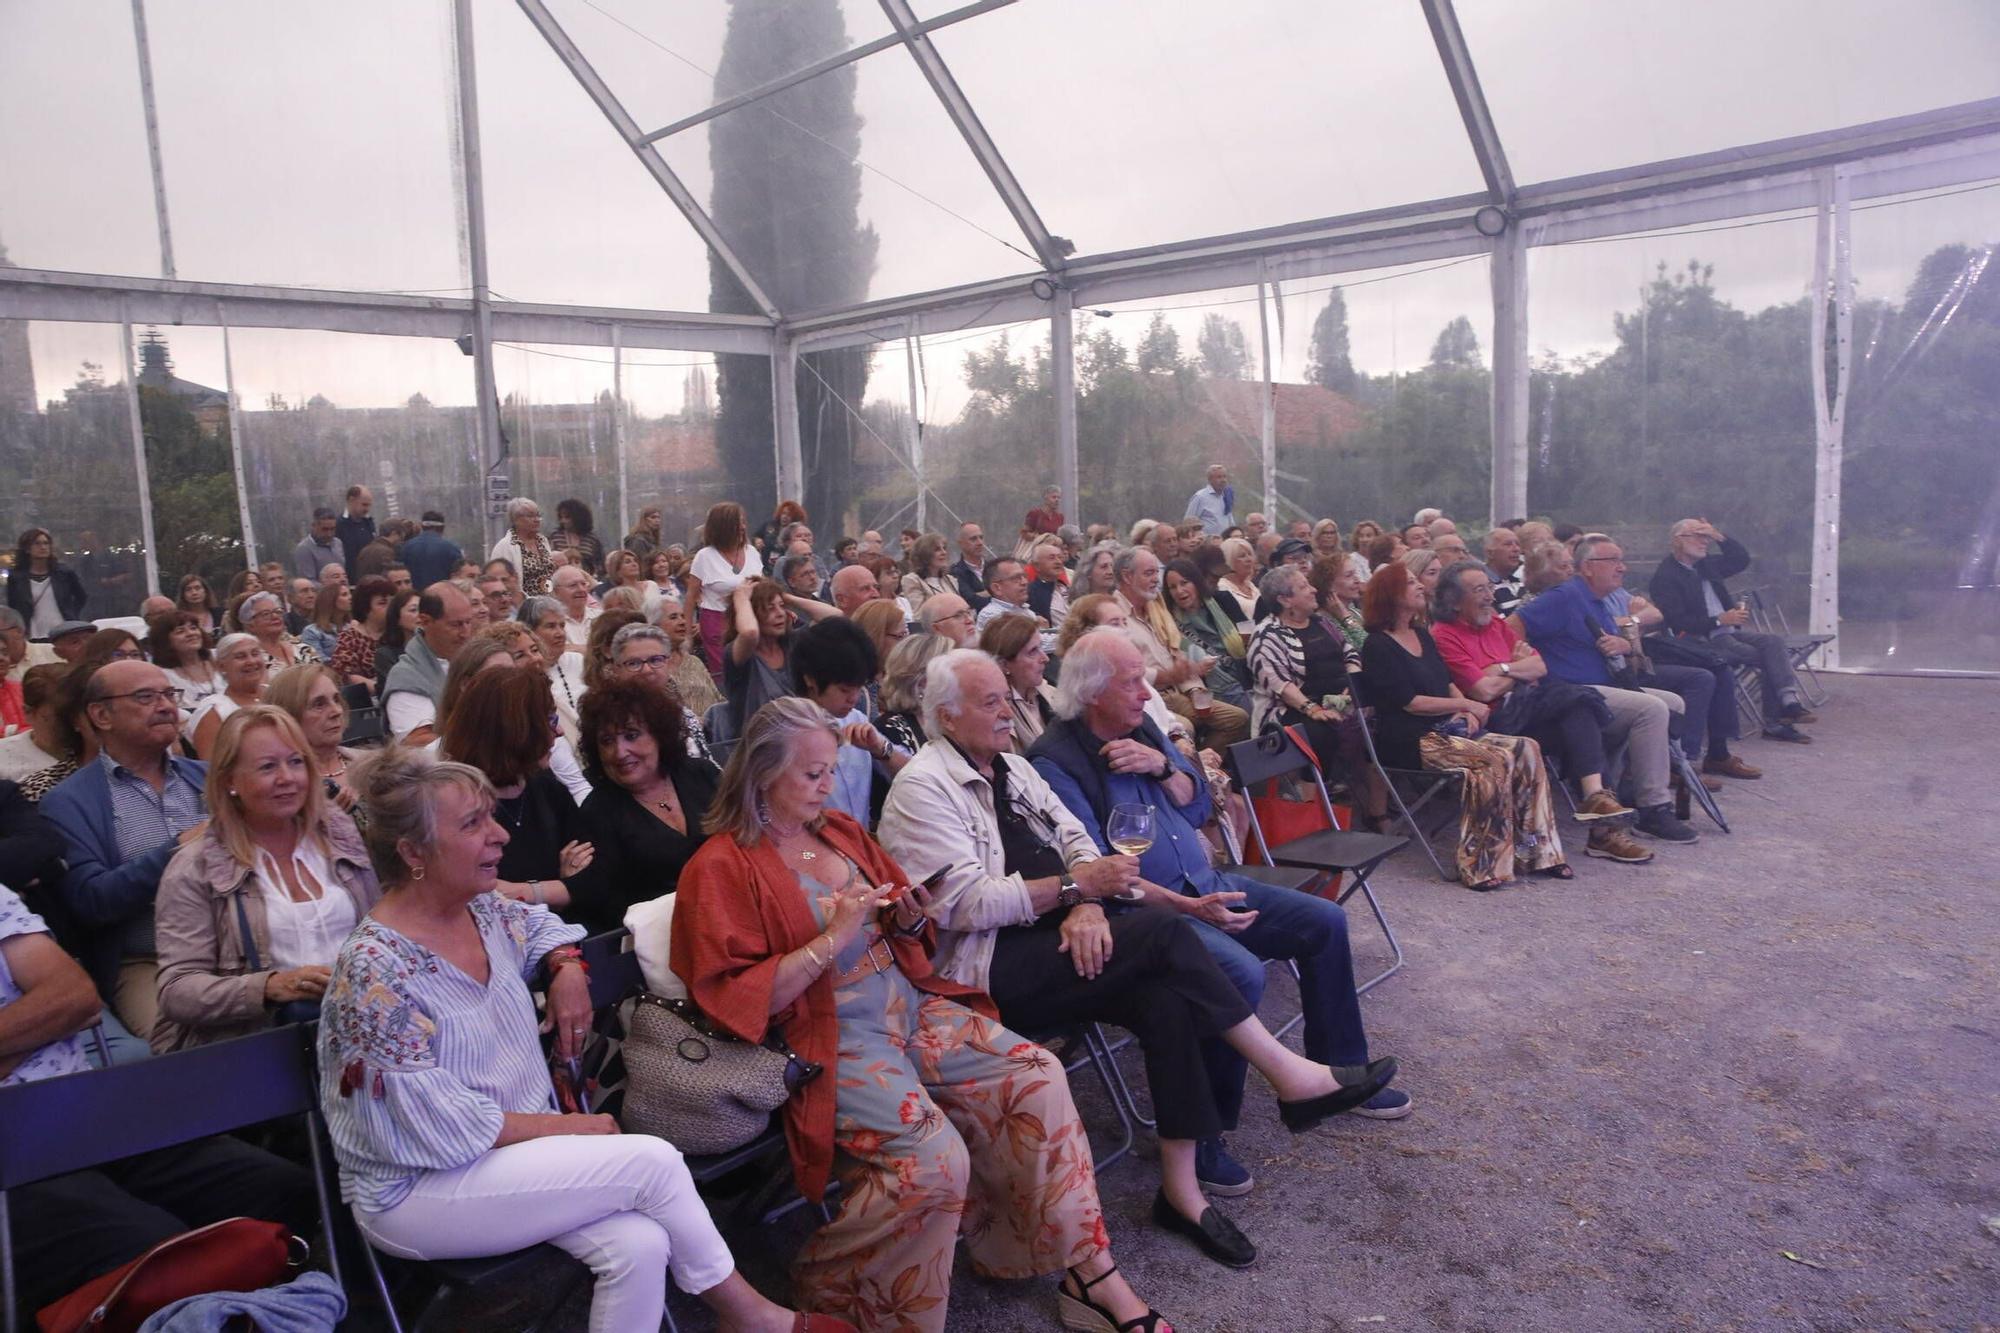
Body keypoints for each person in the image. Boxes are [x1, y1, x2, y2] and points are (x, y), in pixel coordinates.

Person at [671, 698, 1172, 1332]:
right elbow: (738, 1000)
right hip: (828, 1035)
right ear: (762, 773)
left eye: (831, 770)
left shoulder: (838, 830)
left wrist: (904, 915)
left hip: (907, 1004)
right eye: (812, 774)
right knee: (934, 1161)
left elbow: (905, 925)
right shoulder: (719, 866)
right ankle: (843, 1298)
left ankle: (1070, 1267)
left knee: (1037, 1074)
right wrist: (834, 935)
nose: (828, 786)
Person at [885, 647, 1398, 1266]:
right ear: (946, 714)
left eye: (1004, 697)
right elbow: (963, 906)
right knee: (1163, 936)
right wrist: (1079, 891)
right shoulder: (923, 787)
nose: (1005, 712)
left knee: (1167, 996)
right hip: (985, 966)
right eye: (989, 701)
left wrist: (1087, 902)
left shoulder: (1014, 770)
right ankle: (1289, 1075)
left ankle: (1182, 1194)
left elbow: (1077, 841)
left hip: (1062, 937)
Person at [315, 748, 823, 1333]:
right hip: (416, 1187)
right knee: (651, 1160)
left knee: (638, 1244)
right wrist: (572, 1126)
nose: (500, 836)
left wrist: (566, 966)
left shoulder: (484, 910)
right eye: (472, 824)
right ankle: (754, 1317)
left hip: (510, 1157)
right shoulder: (374, 973)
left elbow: (545, 927)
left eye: (492, 817)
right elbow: (436, 1128)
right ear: (412, 853)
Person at [3, 880, 318, 1314]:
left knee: (284, 1190)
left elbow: (75, 998)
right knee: (156, 1250)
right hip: (13, 1156)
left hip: (78, 1111)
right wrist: (32, 1032)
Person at [151, 705, 380, 1053]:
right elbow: (177, 990)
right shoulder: (195, 867)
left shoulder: (338, 833)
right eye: (267, 767)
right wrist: (268, 988)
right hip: (263, 1046)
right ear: (229, 781)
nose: (287, 778)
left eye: (296, 762)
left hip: (361, 1028)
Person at [1360, 561, 1573, 889]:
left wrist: (1469, 710)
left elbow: (1446, 682)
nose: (1420, 586)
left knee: (1527, 748)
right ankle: (1482, 864)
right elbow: (1411, 703)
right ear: (1392, 595)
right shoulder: (1378, 645)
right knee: (1490, 760)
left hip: (1447, 728)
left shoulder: (1420, 634)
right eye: (1411, 582)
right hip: (1409, 738)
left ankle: (1537, 851)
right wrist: (1466, 704)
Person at [1429, 561, 1651, 864]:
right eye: (1479, 590)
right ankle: (1600, 816)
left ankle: (1598, 810)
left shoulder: (1495, 624)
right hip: (1491, 722)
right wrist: (1517, 670)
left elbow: (1540, 667)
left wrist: (1502, 669)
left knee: (1579, 717)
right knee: (1578, 701)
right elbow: (1483, 691)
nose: (1490, 597)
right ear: (1453, 600)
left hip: (1527, 711)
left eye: (1489, 587)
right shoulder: (1444, 634)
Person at [40, 659, 209, 1039]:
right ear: (101, 715)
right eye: (145, 697)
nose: (166, 706)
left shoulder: (211, 778)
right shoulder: (70, 803)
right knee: (188, 1053)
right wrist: (177, 851)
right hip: (149, 963)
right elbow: (92, 901)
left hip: (238, 948)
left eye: (169, 694)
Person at [1513, 538, 1703, 847]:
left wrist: (1623, 644)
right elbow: (1511, 627)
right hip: (1573, 690)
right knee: (1651, 709)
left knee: (1674, 703)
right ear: (1587, 568)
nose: (1622, 567)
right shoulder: (1565, 596)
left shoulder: (1598, 599)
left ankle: (1629, 785)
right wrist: (1525, 662)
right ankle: (1653, 807)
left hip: (1604, 685)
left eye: (1621, 559)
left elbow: (1610, 646)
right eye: (1613, 560)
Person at [567, 680, 715, 935]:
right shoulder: (598, 813)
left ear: (659, 734)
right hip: (665, 936)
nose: (619, 752)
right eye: (606, 741)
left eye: (631, 735)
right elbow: (607, 907)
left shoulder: (701, 775)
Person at [441, 667, 591, 914]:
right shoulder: (454, 806)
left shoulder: (547, 788)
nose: (560, 731)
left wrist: (523, 891)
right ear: (515, 730)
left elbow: (593, 881)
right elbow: (479, 902)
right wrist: (559, 887)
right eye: (550, 720)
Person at [1651, 518, 1816, 741]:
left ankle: (1789, 702)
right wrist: (1719, 620)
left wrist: (1719, 536)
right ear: (1678, 541)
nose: (1704, 542)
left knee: (1773, 642)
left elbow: (1740, 559)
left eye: (1706, 537)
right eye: (1698, 536)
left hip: (1727, 631)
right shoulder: (1666, 577)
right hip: (1701, 640)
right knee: (1770, 658)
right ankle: (1777, 722)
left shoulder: (1705, 565)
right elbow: (1679, 622)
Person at [1113, 546, 1250, 750]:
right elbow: (1126, 671)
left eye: (1155, 573)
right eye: (1149, 573)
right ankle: (1201, 771)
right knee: (1226, 717)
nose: (1155, 580)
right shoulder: (1114, 614)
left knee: (1239, 716)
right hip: (1150, 696)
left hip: (1182, 689)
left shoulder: (1155, 609)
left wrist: (1195, 689)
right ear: (1127, 576)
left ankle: (1208, 768)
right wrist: (1170, 676)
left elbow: (1177, 657)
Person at [1246, 564, 1358, 773]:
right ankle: (1314, 796)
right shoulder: (1267, 635)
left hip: (1342, 700)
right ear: (1285, 599)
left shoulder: (1322, 622)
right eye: (1304, 586)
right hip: (1290, 711)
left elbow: (1350, 654)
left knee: (1380, 717)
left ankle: (1371, 795)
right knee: (1320, 733)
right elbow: (1280, 685)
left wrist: (1353, 686)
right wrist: (1313, 709)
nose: (1314, 589)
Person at [790, 617, 899, 823]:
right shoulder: (785, 734)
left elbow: (914, 774)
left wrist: (881, 749)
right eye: (844, 690)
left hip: (858, 843)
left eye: (859, 688)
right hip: (808, 850)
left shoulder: (855, 720)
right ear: (810, 679)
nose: (854, 698)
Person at [383, 582, 476, 746]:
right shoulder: (407, 678)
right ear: (425, 621)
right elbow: (418, 743)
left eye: (469, 622)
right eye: (456, 624)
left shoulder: (477, 660)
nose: (465, 633)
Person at [685, 501, 764, 675]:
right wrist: (688, 635)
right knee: (726, 674)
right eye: (738, 523)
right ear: (724, 527)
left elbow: (763, 587)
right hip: (717, 622)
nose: (743, 527)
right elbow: (691, 597)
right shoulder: (704, 557)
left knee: (756, 671)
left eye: (744, 522)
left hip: (752, 618)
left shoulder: (752, 552)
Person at [1164, 558, 1250, 712]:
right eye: (1172, 587)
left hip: (1243, 674)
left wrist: (1242, 641)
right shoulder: (1169, 620)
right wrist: (1194, 668)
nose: (1179, 591)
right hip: (1206, 688)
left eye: (1184, 583)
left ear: (1196, 582)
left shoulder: (1222, 600)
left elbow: (1250, 630)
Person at [979, 614, 1056, 754]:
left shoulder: (1049, 692)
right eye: (1033, 652)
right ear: (1004, 665)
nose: (1045, 658)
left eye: (1041, 648)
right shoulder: (997, 716)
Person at [187, 633, 269, 760]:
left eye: (255, 653)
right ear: (221, 666)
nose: (251, 661)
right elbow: (211, 768)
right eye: (240, 656)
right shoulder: (214, 711)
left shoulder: (278, 694)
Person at [874, 632, 952, 761]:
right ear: (922, 682)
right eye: (952, 670)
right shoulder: (891, 728)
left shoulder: (955, 719)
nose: (960, 678)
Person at [8, 528, 89, 638]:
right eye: (37, 544)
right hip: (33, 633)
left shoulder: (64, 573)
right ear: (27, 549)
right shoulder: (16, 577)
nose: (43, 547)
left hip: (63, 630)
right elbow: (13, 606)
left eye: (46, 543)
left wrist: (71, 614)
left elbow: (81, 597)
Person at [0, 664, 67, 782]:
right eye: (57, 717)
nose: (72, 725)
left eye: (76, 714)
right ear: (28, 713)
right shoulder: (4, 759)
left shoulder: (98, 750)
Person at [149, 610, 222, 715]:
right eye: (180, 631)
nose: (191, 634)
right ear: (165, 640)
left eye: (193, 628)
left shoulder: (219, 657)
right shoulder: (163, 675)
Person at [329, 577, 393, 690]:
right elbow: (346, 676)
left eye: (392, 602)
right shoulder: (350, 638)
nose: (390, 608)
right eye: (382, 603)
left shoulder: (399, 632)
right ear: (365, 608)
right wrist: (382, 688)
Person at [488, 498, 556, 598]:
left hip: (548, 602)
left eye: (538, 515)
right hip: (523, 605)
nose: (536, 520)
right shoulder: (505, 546)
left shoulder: (543, 541)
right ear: (515, 520)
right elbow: (498, 581)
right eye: (530, 516)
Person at [396, 510, 462, 591]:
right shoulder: (452, 548)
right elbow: (460, 578)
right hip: (442, 597)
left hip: (414, 598)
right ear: (442, 528)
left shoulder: (406, 547)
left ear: (422, 526)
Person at [974, 556, 1036, 632]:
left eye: (1024, 576)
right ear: (997, 588)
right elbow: (1019, 641)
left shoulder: (1028, 612)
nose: (1024, 582)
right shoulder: (991, 616)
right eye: (1016, 578)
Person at [898, 533, 956, 614]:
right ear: (924, 554)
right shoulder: (912, 580)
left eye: (944, 548)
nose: (944, 552)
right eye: (937, 549)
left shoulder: (951, 580)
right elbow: (919, 614)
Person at [374, 589, 420, 684]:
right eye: (413, 610)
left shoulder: (433, 648)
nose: (420, 615)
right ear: (397, 618)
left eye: (422, 610)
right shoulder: (385, 655)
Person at [550, 564, 599, 651]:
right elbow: (553, 650)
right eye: (573, 585)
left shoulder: (601, 617)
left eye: (584, 584)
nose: (581, 589)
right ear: (556, 592)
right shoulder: (549, 624)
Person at [550, 498, 604, 576]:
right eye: (561, 517)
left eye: (567, 517)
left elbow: (600, 565)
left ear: (578, 517)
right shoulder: (555, 537)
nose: (563, 521)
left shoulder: (592, 539)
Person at [300, 581, 350, 664]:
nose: (350, 597)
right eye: (344, 595)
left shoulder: (351, 627)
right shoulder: (311, 631)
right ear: (331, 600)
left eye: (349, 594)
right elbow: (318, 661)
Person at [292, 508, 344, 582]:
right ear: (314, 526)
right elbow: (309, 581)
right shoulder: (304, 549)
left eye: (332, 529)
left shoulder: (338, 543)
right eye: (325, 529)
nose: (329, 534)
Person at [950, 522, 991, 611]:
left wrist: (980, 594)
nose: (980, 542)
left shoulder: (994, 567)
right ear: (961, 543)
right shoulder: (955, 573)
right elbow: (970, 601)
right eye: (973, 539)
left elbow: (1008, 593)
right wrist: (995, 593)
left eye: (981, 537)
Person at [1485, 526, 1526, 615]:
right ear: (1490, 553)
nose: (1516, 549)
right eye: (1508, 544)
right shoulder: (1483, 587)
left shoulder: (1522, 582)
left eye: (1518, 544)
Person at [1185, 463, 1235, 536]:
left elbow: (1230, 521)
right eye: (1219, 477)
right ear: (1210, 479)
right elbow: (1188, 523)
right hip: (1206, 543)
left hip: (1224, 542)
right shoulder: (1200, 497)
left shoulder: (1226, 496)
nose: (1223, 480)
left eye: (1224, 477)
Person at [175, 573, 222, 639]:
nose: (194, 593)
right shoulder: (178, 619)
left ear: (205, 591)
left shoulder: (220, 614)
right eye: (188, 589)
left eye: (197, 588)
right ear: (183, 595)